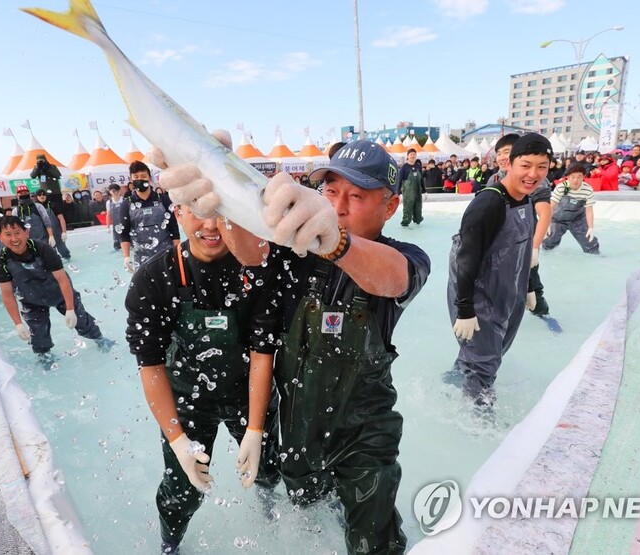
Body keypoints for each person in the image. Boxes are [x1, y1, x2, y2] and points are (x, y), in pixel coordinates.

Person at [157, 138, 431, 554]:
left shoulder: (404, 256)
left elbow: (391, 279)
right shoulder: (294, 255)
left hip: (365, 432)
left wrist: (336, 243)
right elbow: (252, 253)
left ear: (390, 208)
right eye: (331, 191)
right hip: (297, 427)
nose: (338, 207)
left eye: (356, 196)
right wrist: (222, 207)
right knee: (305, 512)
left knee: (373, 538)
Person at [124, 200, 281, 555]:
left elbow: (262, 352)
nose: (211, 225)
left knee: (270, 469)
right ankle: (171, 543)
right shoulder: (154, 277)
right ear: (177, 212)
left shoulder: (256, 269)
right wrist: (178, 440)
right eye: (197, 211)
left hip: (249, 394)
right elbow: (150, 366)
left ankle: (269, 507)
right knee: (182, 491)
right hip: (188, 401)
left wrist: (255, 429)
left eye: (222, 212)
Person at [449, 133, 552, 404]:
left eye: (542, 167)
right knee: (485, 364)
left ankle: (453, 382)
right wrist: (465, 309)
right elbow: (466, 258)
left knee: (493, 353)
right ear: (510, 163)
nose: (533, 174)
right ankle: (478, 426)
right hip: (478, 296)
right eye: (526, 165)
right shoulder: (489, 203)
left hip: (508, 292)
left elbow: (524, 250)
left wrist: (529, 286)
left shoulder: (527, 200)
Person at [0, 216, 111, 355]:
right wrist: (18, 323)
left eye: (17, 232)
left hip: (58, 293)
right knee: (38, 336)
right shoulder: (1, 261)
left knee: (81, 321)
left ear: (26, 232)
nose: (14, 239)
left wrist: (70, 309)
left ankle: (100, 339)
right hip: (31, 300)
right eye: (8, 234)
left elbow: (62, 279)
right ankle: (44, 358)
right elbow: (7, 294)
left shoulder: (42, 249)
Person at [488, 133, 552, 316]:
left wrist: (534, 247)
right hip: (501, 243)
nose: (501, 157)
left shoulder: (534, 179)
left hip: (524, 242)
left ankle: (542, 314)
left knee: (531, 281)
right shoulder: (494, 179)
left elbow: (545, 212)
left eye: (506, 152)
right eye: (499, 152)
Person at [119, 160, 180, 272]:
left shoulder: (163, 199)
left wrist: (177, 253)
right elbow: (124, 233)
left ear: (149, 178)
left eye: (143, 176)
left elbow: (174, 229)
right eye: (136, 177)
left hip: (166, 254)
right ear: (131, 180)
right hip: (141, 258)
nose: (140, 179)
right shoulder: (127, 204)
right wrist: (126, 257)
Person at [542, 162, 599, 254]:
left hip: (578, 220)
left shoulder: (587, 189)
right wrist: (546, 224)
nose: (575, 180)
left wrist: (591, 227)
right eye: (572, 177)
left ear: (584, 176)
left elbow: (589, 210)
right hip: (558, 219)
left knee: (590, 243)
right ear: (568, 176)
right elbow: (551, 206)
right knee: (549, 242)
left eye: (579, 177)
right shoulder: (562, 187)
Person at [35, 189, 71, 259]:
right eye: (39, 195)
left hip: (57, 232)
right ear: (37, 196)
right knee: (51, 253)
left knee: (63, 250)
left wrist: (64, 232)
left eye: (43, 194)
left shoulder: (52, 205)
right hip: (44, 234)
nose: (42, 196)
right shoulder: (35, 207)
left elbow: (61, 218)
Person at [396, 148, 424, 226]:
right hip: (408, 194)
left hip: (418, 192)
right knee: (407, 210)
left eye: (414, 154)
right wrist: (398, 193)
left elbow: (421, 179)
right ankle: (405, 225)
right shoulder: (404, 168)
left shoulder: (418, 166)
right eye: (411, 154)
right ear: (407, 156)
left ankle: (417, 222)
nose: (413, 156)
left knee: (418, 211)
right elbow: (399, 180)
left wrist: (425, 191)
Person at [105, 183, 124, 250]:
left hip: (126, 224)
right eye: (113, 191)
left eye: (116, 190)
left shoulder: (125, 200)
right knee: (117, 246)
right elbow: (108, 215)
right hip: (116, 226)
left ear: (119, 191)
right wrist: (107, 227)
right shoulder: (109, 202)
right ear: (110, 192)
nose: (115, 192)